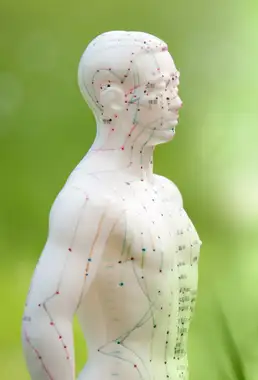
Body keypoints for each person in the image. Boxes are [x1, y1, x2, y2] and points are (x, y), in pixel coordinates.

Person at [21, 31, 201, 380]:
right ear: (112, 98)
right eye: (159, 89)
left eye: (174, 85)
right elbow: (43, 317)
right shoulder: (88, 200)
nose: (176, 102)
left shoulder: (166, 193)